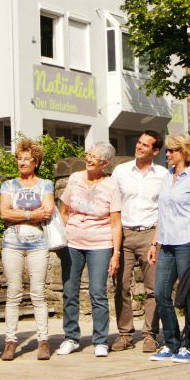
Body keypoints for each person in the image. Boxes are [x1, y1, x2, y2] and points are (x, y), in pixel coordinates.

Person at [56, 142, 122, 357]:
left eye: (95, 157)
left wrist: (116, 253)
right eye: (89, 155)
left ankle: (101, 340)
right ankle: (71, 337)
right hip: (73, 243)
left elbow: (115, 222)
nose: (90, 159)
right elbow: (64, 210)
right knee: (70, 291)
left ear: (106, 163)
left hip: (100, 244)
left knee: (98, 293)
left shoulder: (111, 185)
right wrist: (64, 235)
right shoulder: (75, 179)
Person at [147, 134, 190, 363]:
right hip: (166, 243)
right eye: (167, 151)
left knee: (189, 296)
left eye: (172, 150)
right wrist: (154, 243)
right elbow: (160, 215)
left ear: (184, 152)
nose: (168, 154)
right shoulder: (166, 178)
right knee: (161, 293)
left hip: (187, 242)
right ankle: (171, 342)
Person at [0, 138, 54, 361]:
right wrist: (33, 215)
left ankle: (43, 341)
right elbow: (4, 213)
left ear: (36, 162)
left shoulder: (45, 184)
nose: (22, 162)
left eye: (27, 159)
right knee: (13, 293)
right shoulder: (8, 185)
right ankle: (10, 342)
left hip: (38, 243)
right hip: (12, 242)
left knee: (38, 293)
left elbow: (48, 211)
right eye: (19, 159)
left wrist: (18, 214)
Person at [110, 130, 165, 353]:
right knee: (120, 286)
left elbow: (164, 210)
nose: (139, 147)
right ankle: (124, 334)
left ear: (155, 151)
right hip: (124, 234)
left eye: (145, 145)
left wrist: (155, 241)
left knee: (153, 288)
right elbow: (112, 204)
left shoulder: (162, 174)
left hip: (150, 234)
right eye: (139, 143)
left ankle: (150, 334)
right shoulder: (120, 171)